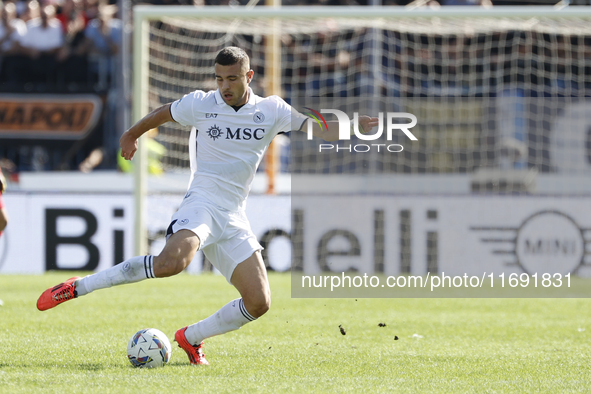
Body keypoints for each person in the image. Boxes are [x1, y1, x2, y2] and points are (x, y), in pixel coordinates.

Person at [36, 46, 378, 365]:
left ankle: (191, 337)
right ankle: (78, 286)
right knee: (172, 262)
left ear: (249, 76)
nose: (224, 85)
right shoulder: (201, 103)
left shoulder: (271, 110)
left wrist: (354, 126)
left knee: (259, 302)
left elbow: (317, 125)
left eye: (232, 78)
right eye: (219, 78)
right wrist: (131, 134)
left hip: (233, 215)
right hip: (202, 201)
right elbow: (163, 113)